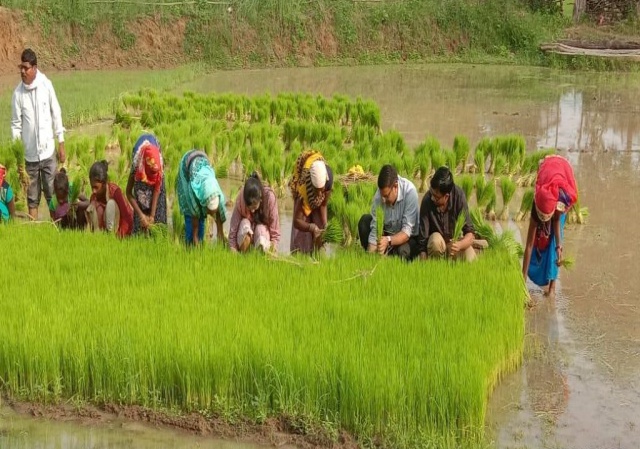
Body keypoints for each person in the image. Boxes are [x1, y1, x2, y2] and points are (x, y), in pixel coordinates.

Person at [11, 48, 65, 221]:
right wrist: (19, 158)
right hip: (30, 156)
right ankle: (34, 231)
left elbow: (56, 112)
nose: (22, 71)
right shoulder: (18, 94)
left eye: (26, 68)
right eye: (21, 67)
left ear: (34, 68)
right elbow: (15, 125)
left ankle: (55, 228)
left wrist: (61, 142)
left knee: (52, 195)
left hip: (48, 152)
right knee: (32, 198)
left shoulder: (46, 85)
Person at [522, 155, 578, 296]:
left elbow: (557, 223)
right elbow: (529, 245)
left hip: (562, 178)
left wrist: (559, 246)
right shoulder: (537, 205)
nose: (544, 220)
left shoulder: (560, 203)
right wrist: (522, 282)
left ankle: (552, 288)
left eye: (547, 217)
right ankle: (529, 278)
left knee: (554, 242)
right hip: (548, 177)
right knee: (538, 240)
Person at [358, 164, 420, 260]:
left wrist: (388, 240)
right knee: (364, 221)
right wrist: (371, 256)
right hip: (387, 235)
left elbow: (406, 233)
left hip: (407, 239)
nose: (383, 200)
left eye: (386, 196)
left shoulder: (410, 192)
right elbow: (375, 229)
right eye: (382, 195)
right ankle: (380, 257)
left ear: (395, 186)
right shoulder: (379, 196)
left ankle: (394, 261)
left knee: (403, 251)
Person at [418, 166, 476, 262]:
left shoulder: (459, 197)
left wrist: (460, 245)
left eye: (436, 197)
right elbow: (423, 238)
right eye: (431, 193)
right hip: (436, 246)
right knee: (435, 241)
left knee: (471, 259)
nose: (432, 198)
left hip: (454, 243)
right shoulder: (427, 200)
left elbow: (469, 232)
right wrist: (423, 259)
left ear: (446, 196)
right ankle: (436, 268)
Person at [176, 150, 226, 245]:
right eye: (209, 212)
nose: (210, 215)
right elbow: (195, 214)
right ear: (205, 205)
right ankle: (189, 244)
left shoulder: (218, 196)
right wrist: (195, 237)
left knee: (201, 218)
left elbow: (220, 219)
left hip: (202, 163)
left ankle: (201, 241)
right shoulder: (194, 190)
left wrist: (220, 234)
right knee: (191, 215)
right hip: (187, 168)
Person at [288, 150, 333, 254]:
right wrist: (311, 227)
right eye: (316, 190)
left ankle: (317, 256)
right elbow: (297, 221)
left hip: (315, 183)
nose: (319, 194)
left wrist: (325, 224)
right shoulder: (303, 187)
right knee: (301, 237)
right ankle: (299, 255)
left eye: (321, 190)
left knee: (320, 229)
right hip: (304, 191)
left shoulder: (328, 178)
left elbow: (324, 204)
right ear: (312, 185)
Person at [125, 134, 167, 235]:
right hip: (141, 173)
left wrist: (152, 216)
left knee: (158, 223)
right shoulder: (137, 166)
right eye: (151, 173)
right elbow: (128, 193)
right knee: (140, 227)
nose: (153, 175)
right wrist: (141, 215)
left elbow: (157, 189)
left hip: (155, 171)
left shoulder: (158, 166)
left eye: (154, 173)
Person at [228, 172, 280, 253]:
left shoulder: (269, 198)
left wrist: (274, 246)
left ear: (260, 197)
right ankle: (244, 256)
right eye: (249, 207)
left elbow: (275, 228)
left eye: (254, 207)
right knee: (245, 224)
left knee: (261, 229)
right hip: (247, 236)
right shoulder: (241, 198)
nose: (252, 211)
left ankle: (259, 257)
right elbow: (233, 227)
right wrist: (232, 247)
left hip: (262, 234)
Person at [86, 161, 133, 238]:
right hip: (102, 235)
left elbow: (127, 217)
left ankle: (111, 236)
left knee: (111, 204)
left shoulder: (114, 191)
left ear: (104, 183)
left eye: (96, 187)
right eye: (92, 187)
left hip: (119, 232)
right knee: (92, 207)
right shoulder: (93, 197)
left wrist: (119, 236)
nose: (93, 191)